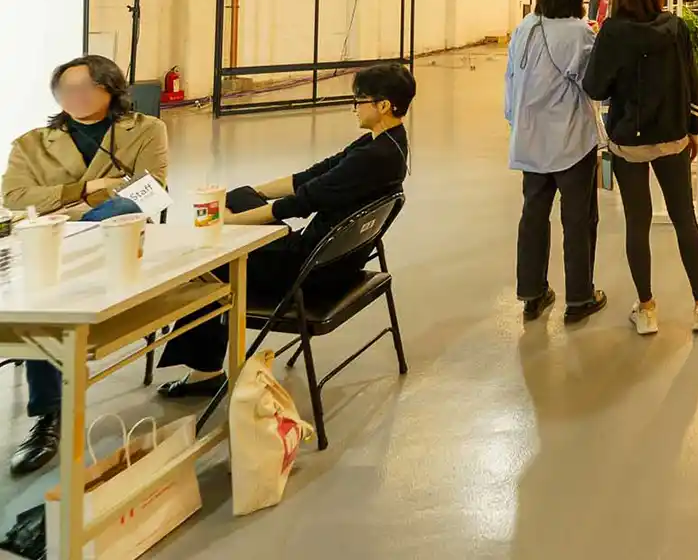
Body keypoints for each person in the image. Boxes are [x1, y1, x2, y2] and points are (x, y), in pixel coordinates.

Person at [156, 62, 414, 397]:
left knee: (212, 265)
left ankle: (205, 372)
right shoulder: (384, 144)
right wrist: (254, 193)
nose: (353, 107)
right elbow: (314, 176)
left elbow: (301, 202)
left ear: (383, 106)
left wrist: (227, 222)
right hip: (329, 256)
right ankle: (201, 358)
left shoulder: (374, 158)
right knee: (238, 197)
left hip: (308, 268)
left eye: (358, 100)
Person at [3, 55, 169, 475]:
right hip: (50, 254)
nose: (72, 98)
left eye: (83, 88)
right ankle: (49, 417)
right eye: (65, 91)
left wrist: (66, 208)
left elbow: (150, 192)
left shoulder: (147, 130)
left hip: (118, 248)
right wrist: (88, 188)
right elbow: (14, 197)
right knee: (44, 306)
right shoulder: (31, 142)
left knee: (122, 206)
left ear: (110, 88)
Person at [583, 0, 698, 336]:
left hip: (629, 142)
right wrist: (693, 128)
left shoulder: (611, 32)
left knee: (637, 222)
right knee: (684, 219)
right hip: (672, 137)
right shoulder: (676, 28)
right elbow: (691, 81)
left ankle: (646, 309)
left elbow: (594, 87)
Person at [506, 0, 605, 324]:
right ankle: (579, 297)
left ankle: (532, 292)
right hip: (569, 141)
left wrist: (514, 122)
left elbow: (510, 81)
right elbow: (591, 81)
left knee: (533, 215)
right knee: (578, 219)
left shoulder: (524, 27)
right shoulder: (578, 33)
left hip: (529, 140)